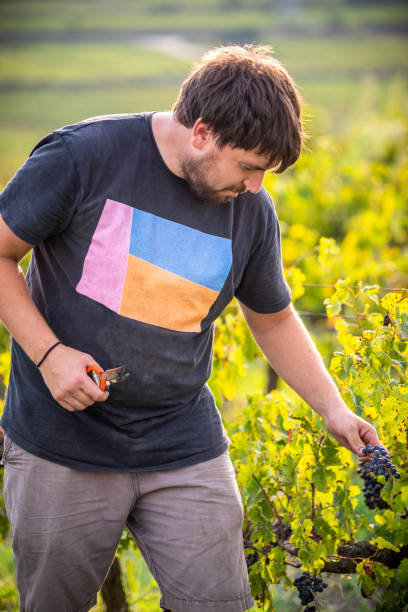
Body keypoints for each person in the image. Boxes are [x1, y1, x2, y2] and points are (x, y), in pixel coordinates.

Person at [0, 44, 380, 612]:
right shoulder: (83, 157)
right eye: (250, 166)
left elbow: (272, 318)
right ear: (202, 132)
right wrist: (49, 353)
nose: (256, 186)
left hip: (182, 442)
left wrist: (334, 409)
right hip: (62, 443)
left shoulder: (252, 211)